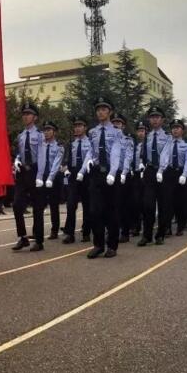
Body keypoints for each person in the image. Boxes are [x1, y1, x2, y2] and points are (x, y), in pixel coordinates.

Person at [82, 96, 123, 259]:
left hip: (111, 173)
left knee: (110, 210)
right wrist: (87, 163)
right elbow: (91, 152)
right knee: (94, 210)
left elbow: (116, 153)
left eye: (104, 109)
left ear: (110, 112)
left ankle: (112, 245)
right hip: (96, 173)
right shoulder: (92, 132)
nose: (100, 112)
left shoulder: (117, 132)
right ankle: (98, 244)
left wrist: (112, 173)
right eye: (98, 109)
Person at [11, 102, 43, 251]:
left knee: (37, 206)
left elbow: (42, 156)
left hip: (36, 171)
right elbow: (19, 152)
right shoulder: (21, 136)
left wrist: (42, 175)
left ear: (34, 117)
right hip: (23, 172)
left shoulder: (41, 135)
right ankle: (23, 237)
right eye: (24, 114)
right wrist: (17, 160)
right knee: (17, 204)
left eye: (28, 114)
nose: (25, 117)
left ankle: (39, 239)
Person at [138, 106, 169, 247]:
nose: (154, 120)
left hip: (163, 172)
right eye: (152, 117)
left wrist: (161, 170)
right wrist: (142, 164)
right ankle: (147, 235)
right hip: (150, 172)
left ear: (162, 120)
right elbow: (143, 154)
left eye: (157, 117)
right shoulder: (148, 136)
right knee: (147, 205)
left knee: (162, 205)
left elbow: (165, 155)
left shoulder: (168, 137)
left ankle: (160, 234)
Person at [61, 116, 92, 244]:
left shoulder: (90, 143)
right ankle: (70, 233)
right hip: (73, 175)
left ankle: (86, 232)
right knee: (71, 204)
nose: (77, 128)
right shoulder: (71, 144)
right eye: (76, 126)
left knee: (87, 204)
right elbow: (65, 160)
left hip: (86, 175)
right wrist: (65, 168)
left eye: (80, 126)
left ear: (85, 128)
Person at [157, 119, 187, 238]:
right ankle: (168, 228)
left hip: (180, 173)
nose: (175, 129)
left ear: (182, 130)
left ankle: (180, 226)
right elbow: (164, 157)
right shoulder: (168, 144)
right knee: (167, 201)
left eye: (178, 127)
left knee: (180, 201)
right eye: (173, 127)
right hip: (169, 172)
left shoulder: (186, 146)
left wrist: (184, 175)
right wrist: (160, 171)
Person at [34, 120, 64, 248]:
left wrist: (50, 178)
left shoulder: (59, 147)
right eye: (45, 130)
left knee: (53, 205)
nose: (46, 132)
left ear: (54, 132)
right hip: (42, 177)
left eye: (49, 130)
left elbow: (56, 164)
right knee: (38, 205)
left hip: (53, 178)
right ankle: (37, 232)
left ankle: (54, 229)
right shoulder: (41, 145)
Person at [111, 112, 133, 243]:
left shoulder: (127, 141)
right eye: (113, 123)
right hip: (110, 175)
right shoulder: (108, 140)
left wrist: (124, 173)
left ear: (123, 126)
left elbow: (128, 158)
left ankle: (124, 231)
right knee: (111, 204)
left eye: (118, 123)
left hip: (122, 175)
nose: (115, 125)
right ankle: (113, 229)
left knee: (123, 204)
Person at [130, 121, 147, 237]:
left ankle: (146, 225)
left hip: (146, 175)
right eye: (139, 131)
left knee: (145, 202)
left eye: (143, 131)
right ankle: (136, 226)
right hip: (135, 174)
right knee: (135, 201)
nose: (141, 133)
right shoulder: (134, 145)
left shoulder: (149, 145)